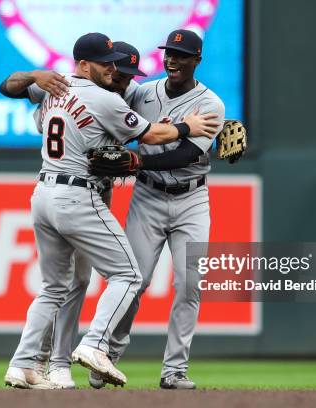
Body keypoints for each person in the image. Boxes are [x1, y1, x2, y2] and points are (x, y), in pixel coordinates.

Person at [0, 32, 220, 389]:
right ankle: (96, 346)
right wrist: (186, 128)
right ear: (85, 64)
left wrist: (35, 76)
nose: (116, 74)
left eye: (121, 70)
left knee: (58, 287)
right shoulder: (106, 98)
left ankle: (27, 364)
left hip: (47, 191)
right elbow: (150, 136)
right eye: (109, 65)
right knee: (130, 276)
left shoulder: (57, 87)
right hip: (81, 194)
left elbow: (9, 89)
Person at [91, 29, 226, 390]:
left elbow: (187, 154)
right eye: (169, 52)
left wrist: (133, 162)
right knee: (134, 281)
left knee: (190, 285)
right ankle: (106, 356)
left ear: (197, 60)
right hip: (148, 198)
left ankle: (174, 371)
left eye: (181, 55)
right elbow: (112, 107)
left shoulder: (211, 104)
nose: (172, 60)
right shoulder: (141, 92)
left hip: (192, 200)